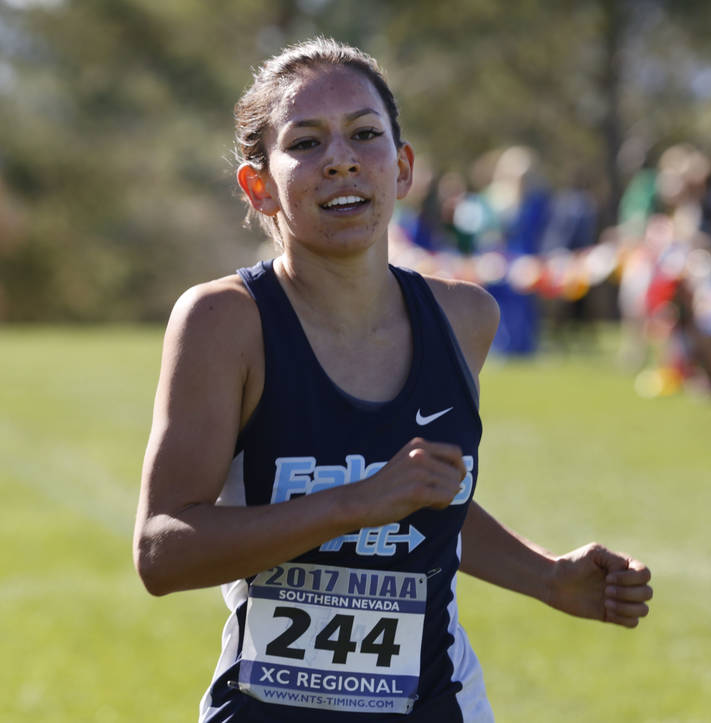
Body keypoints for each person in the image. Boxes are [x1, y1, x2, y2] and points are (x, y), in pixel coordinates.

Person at [132, 38, 652, 722]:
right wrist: (353, 501)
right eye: (307, 142)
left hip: (436, 702)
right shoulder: (226, 321)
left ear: (401, 168)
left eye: (365, 134)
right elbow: (162, 552)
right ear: (258, 186)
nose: (342, 158)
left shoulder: (465, 317)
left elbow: (431, 501)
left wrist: (548, 576)